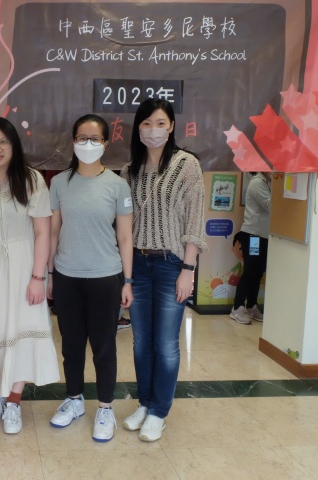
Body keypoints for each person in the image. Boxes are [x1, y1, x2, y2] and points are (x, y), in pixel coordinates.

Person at [120, 98, 207, 442]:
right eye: (146, 123)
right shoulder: (129, 170)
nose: (153, 130)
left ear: (171, 126)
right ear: (138, 128)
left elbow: (195, 221)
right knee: (141, 342)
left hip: (172, 264)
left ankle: (159, 412)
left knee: (166, 344)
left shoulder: (187, 165)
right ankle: (144, 403)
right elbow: (125, 227)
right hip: (138, 264)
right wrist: (126, 275)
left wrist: (188, 268)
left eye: (159, 123)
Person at [0, 117, 60, 435]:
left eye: (3, 142)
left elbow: (43, 233)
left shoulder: (32, 181)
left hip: (24, 268)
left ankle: (14, 401)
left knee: (21, 332)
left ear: (14, 145)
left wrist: (38, 277)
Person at [47, 114, 134, 443]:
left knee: (103, 347)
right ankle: (74, 400)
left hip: (105, 277)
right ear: (73, 141)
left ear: (105, 143)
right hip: (67, 276)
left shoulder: (117, 185)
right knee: (71, 346)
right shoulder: (59, 183)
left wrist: (128, 281)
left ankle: (106, 408)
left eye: (94, 139)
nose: (87, 144)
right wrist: (49, 273)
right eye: (81, 138)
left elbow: (125, 237)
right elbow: (53, 232)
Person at [230, 172, 271, 325]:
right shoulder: (257, 182)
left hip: (264, 236)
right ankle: (237, 307)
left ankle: (251, 306)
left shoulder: (267, 182)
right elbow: (270, 205)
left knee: (258, 272)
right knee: (250, 270)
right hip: (253, 236)